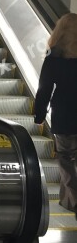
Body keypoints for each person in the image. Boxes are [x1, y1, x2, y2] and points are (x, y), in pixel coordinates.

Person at [34, 13, 77, 219]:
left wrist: (39, 114)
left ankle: (73, 200)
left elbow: (45, 89)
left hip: (65, 116)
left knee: (66, 158)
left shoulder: (54, 57)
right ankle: (67, 199)